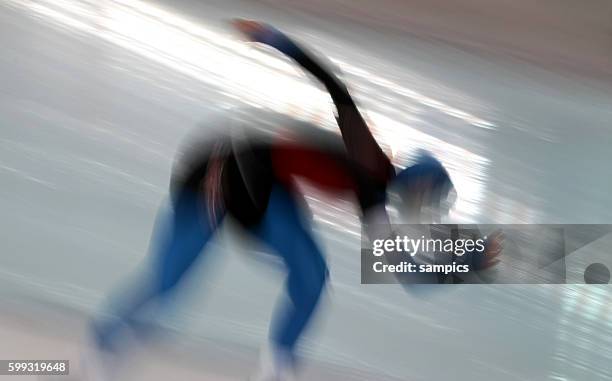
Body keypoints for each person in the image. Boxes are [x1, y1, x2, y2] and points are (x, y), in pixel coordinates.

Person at [88, 20, 463, 381]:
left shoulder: (374, 190)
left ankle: (273, 368)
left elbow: (404, 271)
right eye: (428, 202)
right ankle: (108, 339)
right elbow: (334, 84)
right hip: (224, 168)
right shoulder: (370, 163)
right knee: (174, 284)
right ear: (418, 189)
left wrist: (464, 264)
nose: (422, 211)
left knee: (304, 276)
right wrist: (275, 39)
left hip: (255, 179)